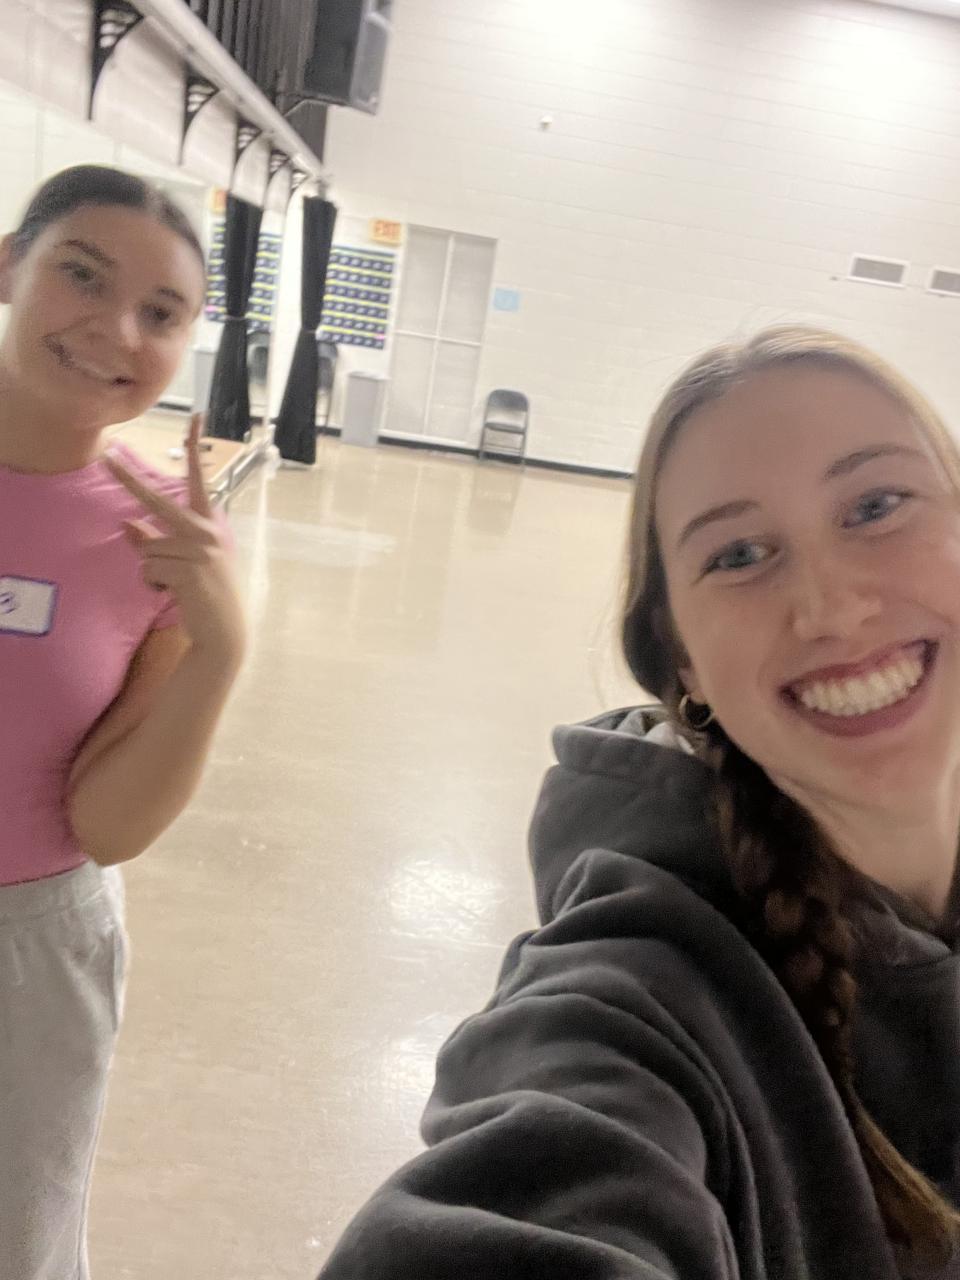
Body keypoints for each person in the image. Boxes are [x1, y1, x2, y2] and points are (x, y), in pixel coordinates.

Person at [318, 327, 960, 1279]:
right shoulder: (634, 990)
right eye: (740, 554)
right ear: (682, 659)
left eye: (875, 506)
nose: (830, 608)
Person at [0, 165, 245, 1279]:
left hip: (28, 946)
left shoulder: (165, 541)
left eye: (162, 312)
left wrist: (220, 642)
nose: (116, 329)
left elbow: (107, 825)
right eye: (84, 277)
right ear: (11, 266)